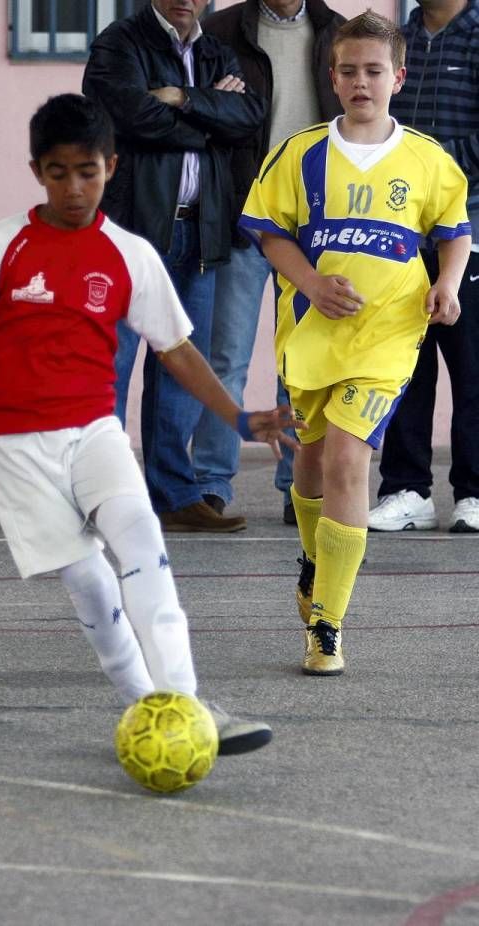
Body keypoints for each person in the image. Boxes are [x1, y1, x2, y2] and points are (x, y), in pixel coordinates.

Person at [0, 94, 300, 751]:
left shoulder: (130, 254)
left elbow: (177, 351)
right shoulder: (0, 244)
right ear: (37, 171)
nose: (75, 187)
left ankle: (189, 706)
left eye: (87, 171)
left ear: (111, 167)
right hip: (13, 446)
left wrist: (240, 418)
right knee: (89, 580)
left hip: (94, 433)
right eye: (59, 172)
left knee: (144, 548)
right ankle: (148, 706)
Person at [239, 12, 471, 675]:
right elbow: (268, 230)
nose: (361, 82)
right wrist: (309, 281)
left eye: (374, 71)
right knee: (311, 461)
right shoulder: (300, 152)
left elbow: (453, 229)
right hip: (312, 334)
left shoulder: (427, 158)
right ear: (332, 78)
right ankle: (314, 560)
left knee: (347, 457)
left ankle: (328, 625)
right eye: (349, 71)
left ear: (398, 77)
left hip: (389, 332)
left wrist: (447, 284)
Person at [82, 0, 267, 533]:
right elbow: (131, 118)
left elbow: (248, 120)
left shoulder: (215, 51)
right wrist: (210, 119)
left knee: (181, 370)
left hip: (199, 229)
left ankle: (174, 495)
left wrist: (182, 98)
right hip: (132, 231)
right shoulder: (119, 44)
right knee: (109, 368)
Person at [191, 0, 344, 527]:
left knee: (300, 364)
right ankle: (211, 481)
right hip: (245, 216)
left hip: (317, 227)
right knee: (225, 356)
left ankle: (297, 485)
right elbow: (204, 118)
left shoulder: (336, 33)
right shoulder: (220, 31)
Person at [367, 0, 479, 534]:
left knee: (474, 371)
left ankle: (474, 493)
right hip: (404, 234)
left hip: (471, 230)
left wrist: (424, 165)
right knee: (404, 369)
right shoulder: (399, 38)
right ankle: (406, 489)